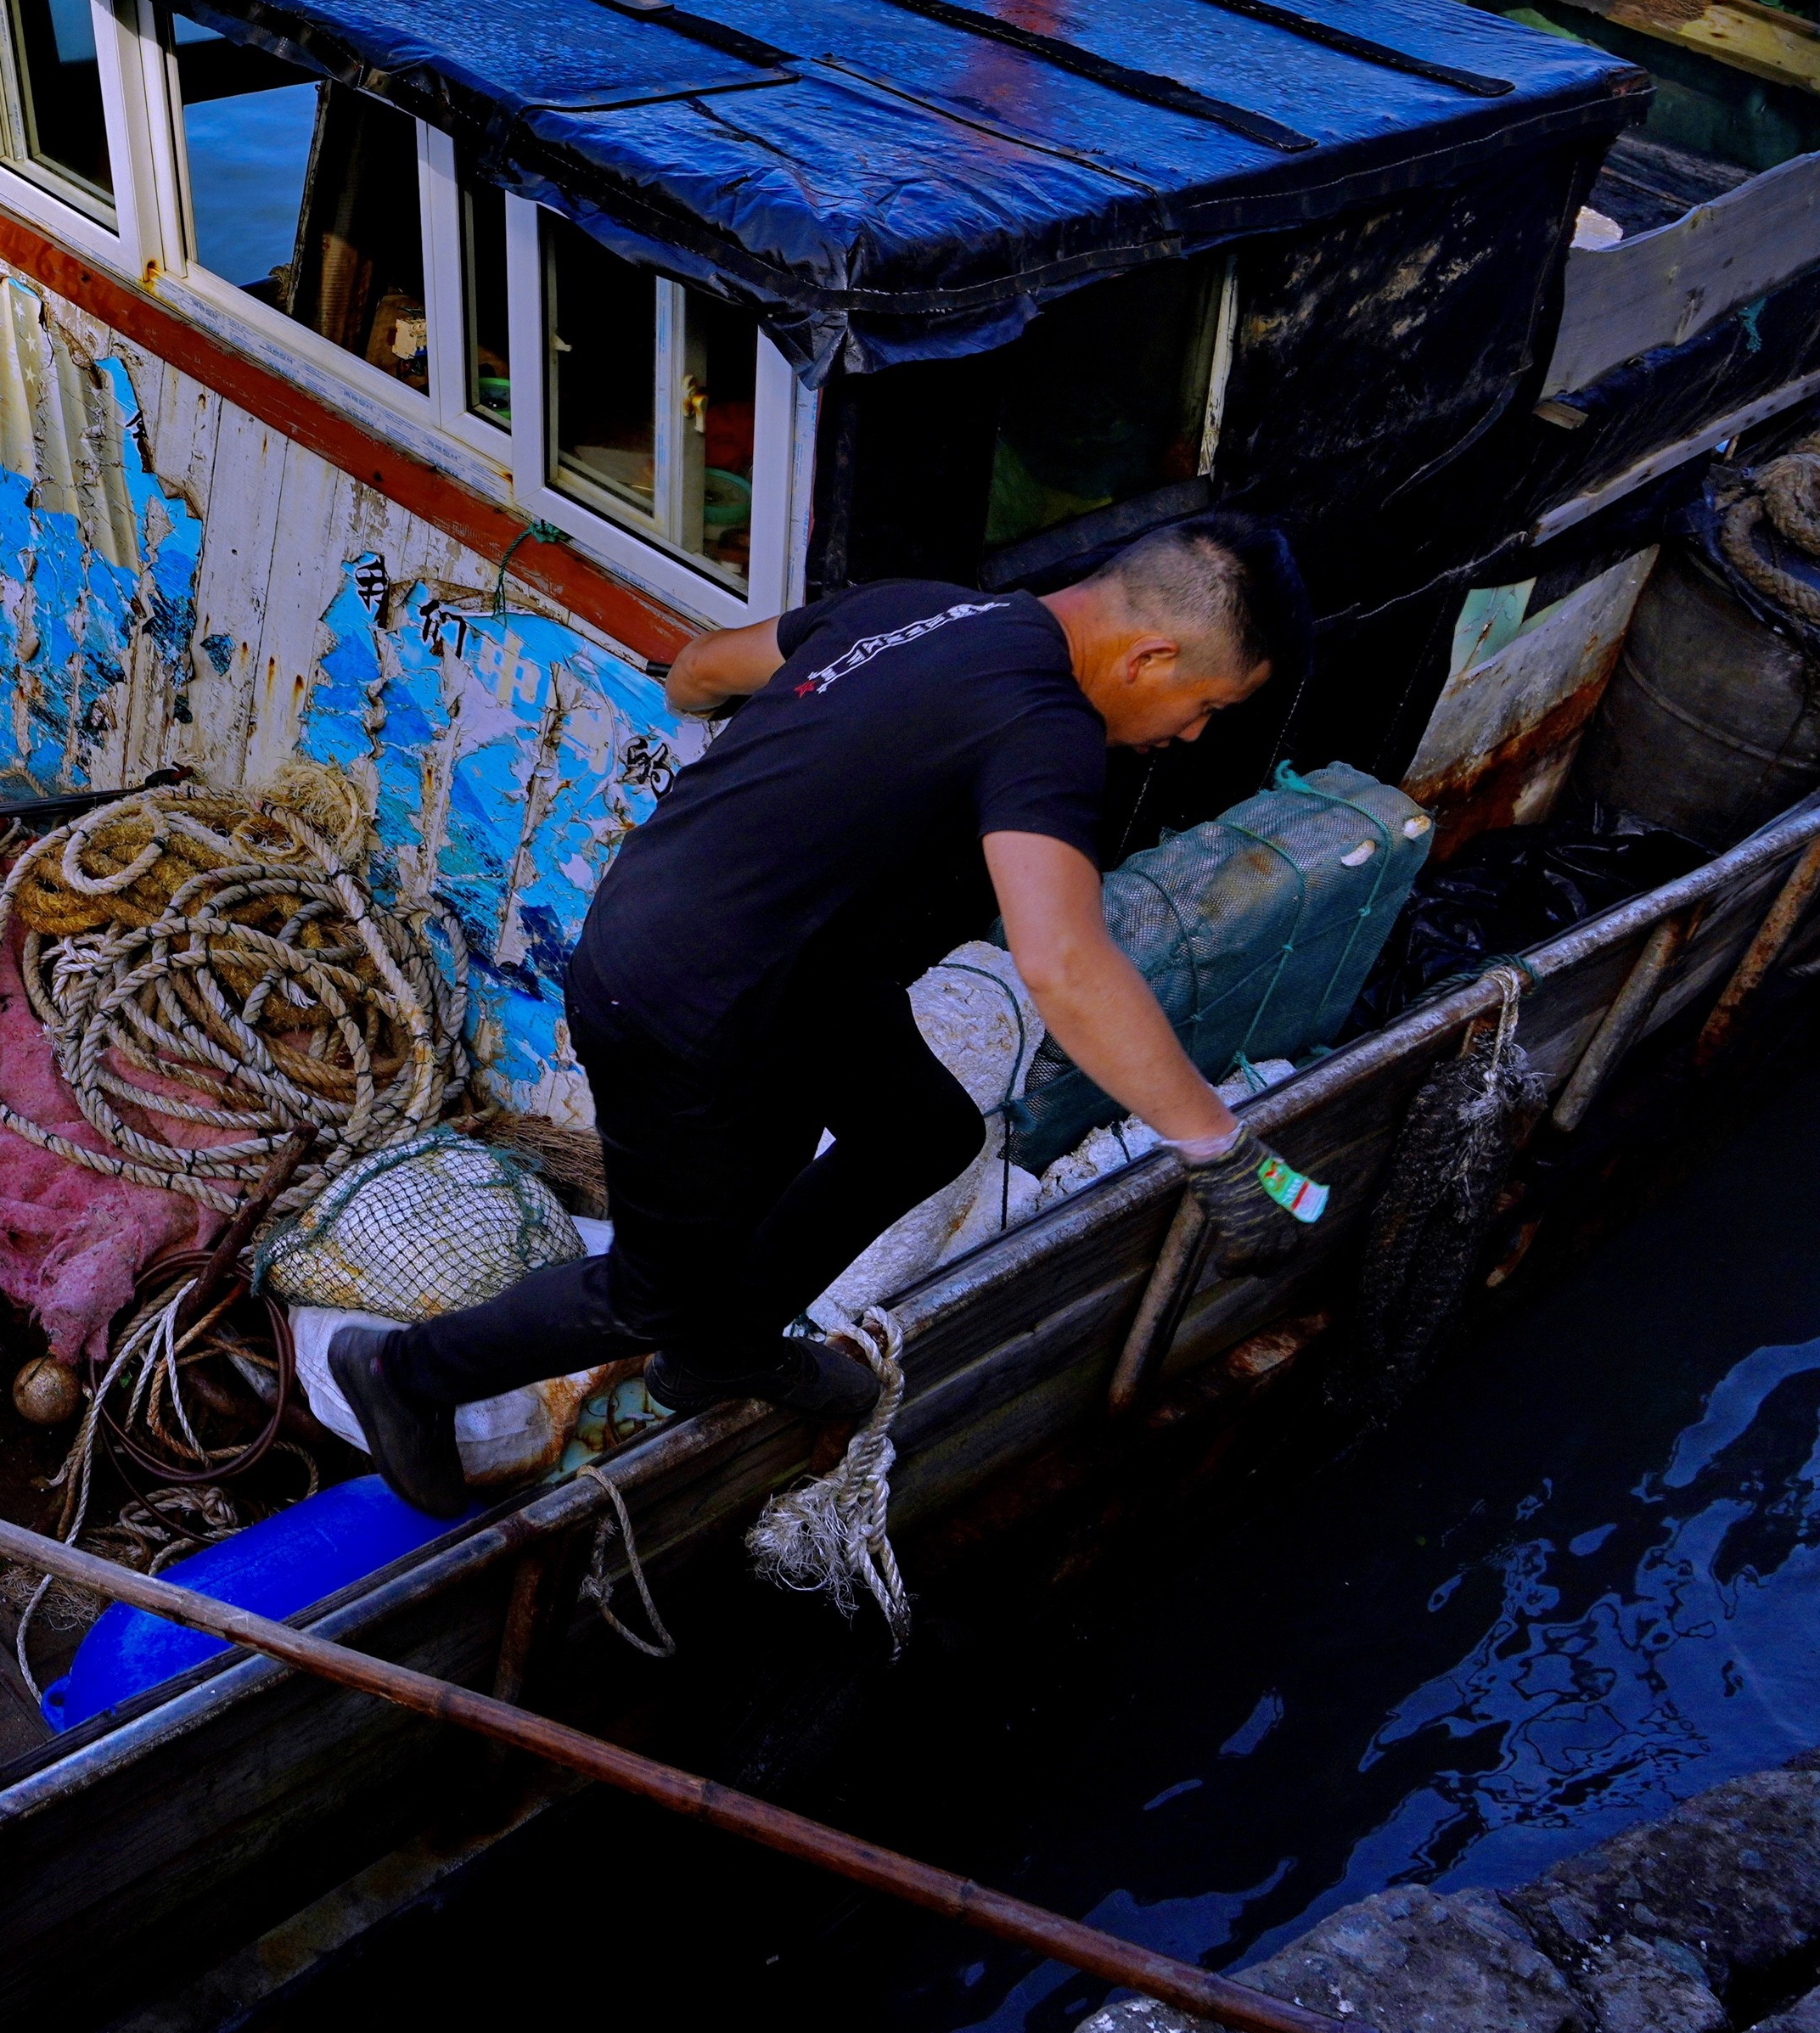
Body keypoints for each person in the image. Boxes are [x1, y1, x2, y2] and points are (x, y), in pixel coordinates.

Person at [334, 516, 1306, 1516]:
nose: (1190, 736)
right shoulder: (1046, 723)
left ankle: (726, 1349)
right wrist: (1216, 1146)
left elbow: (701, 673)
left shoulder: (917, 607)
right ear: (1153, 656)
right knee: (653, 1292)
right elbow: (1062, 959)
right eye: (1207, 707)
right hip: (691, 1000)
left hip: (796, 969)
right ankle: (408, 1370)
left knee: (920, 1128)